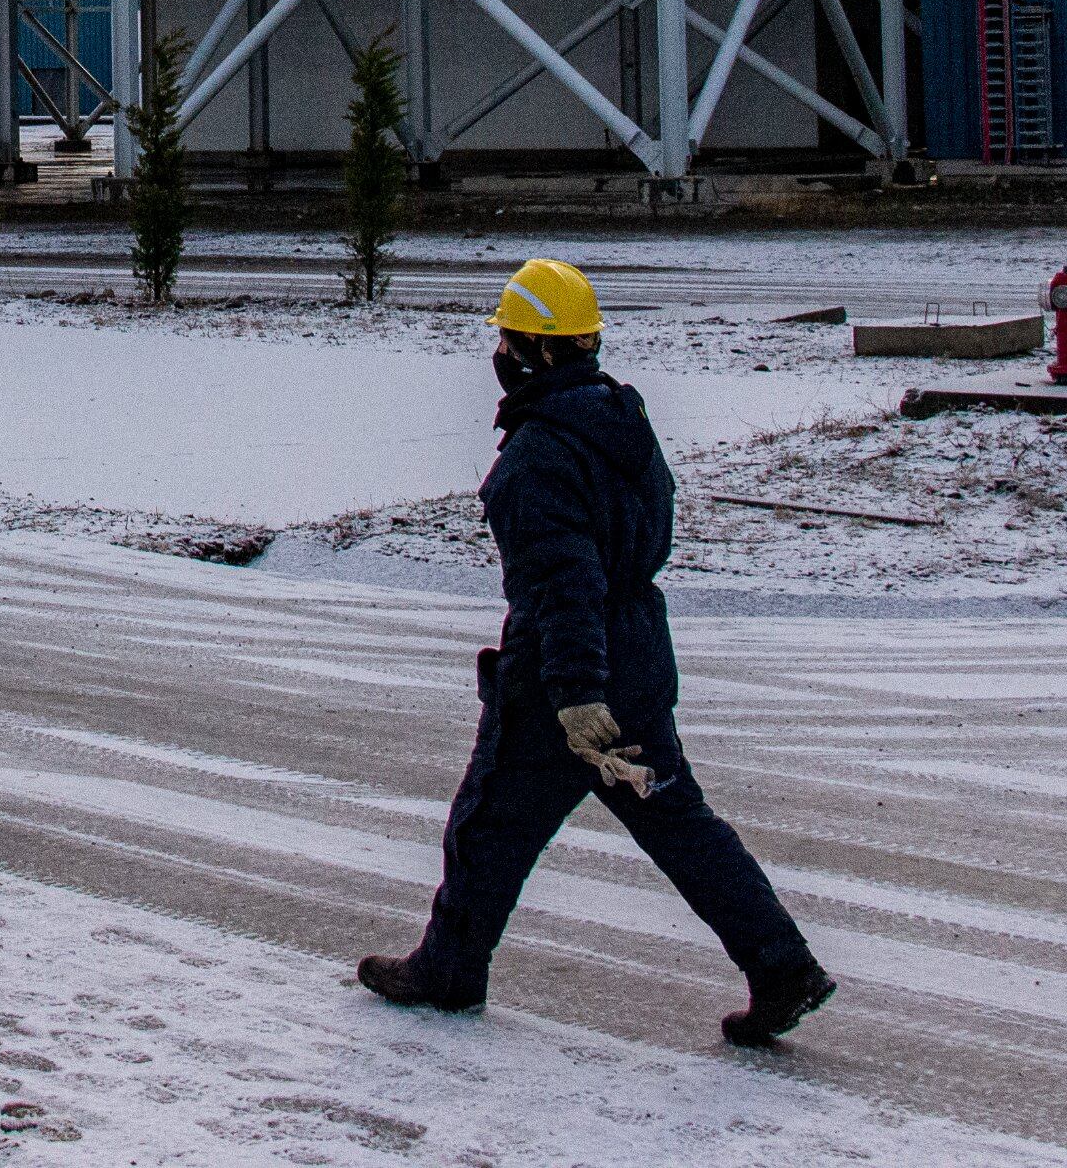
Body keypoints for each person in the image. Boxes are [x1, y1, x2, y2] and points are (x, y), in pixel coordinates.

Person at [357, 256, 835, 1047]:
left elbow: (561, 583)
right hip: (642, 653)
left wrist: (578, 694)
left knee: (488, 827)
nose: (501, 355)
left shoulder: (540, 455)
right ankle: (782, 966)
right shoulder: (624, 425)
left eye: (510, 341)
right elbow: (641, 543)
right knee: (681, 825)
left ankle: (448, 970)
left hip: (563, 682)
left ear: (540, 353)